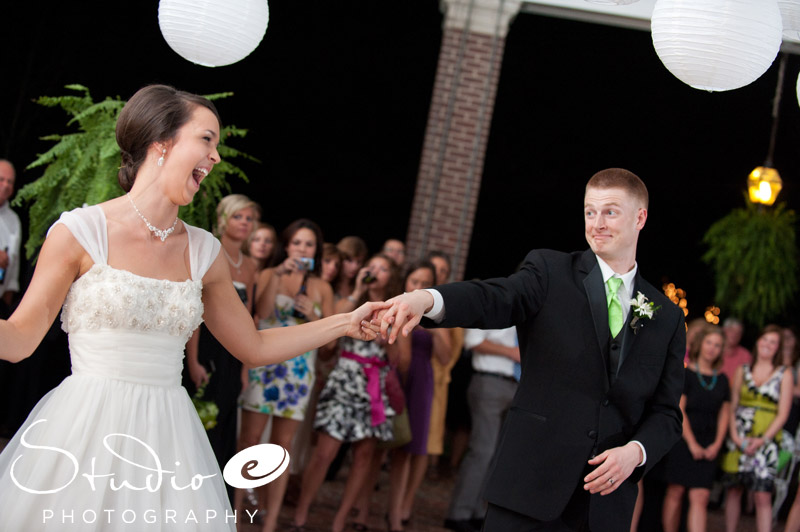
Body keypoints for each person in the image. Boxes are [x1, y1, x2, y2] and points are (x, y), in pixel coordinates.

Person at [0, 84, 384, 531]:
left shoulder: (205, 252)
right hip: (84, 431)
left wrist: (343, 322)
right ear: (161, 143)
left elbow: (254, 347)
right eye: (207, 139)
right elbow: (20, 340)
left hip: (169, 439)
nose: (215, 156)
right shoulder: (80, 232)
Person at [378, 168, 686, 532]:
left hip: (603, 506)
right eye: (590, 212)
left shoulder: (666, 315)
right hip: (529, 485)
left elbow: (666, 414)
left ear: (640, 217)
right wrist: (426, 298)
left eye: (610, 212)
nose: (597, 223)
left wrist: (635, 453)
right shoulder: (550, 271)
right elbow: (493, 296)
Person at [292, 254, 407, 532]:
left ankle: (340, 521)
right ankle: (301, 515)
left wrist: (388, 335)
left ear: (391, 276)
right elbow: (327, 348)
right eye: (373, 266)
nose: (376, 271)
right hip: (344, 381)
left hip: (373, 388)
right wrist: (356, 291)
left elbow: (400, 361)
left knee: (364, 457)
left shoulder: (397, 310)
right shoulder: (350, 303)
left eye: (383, 268)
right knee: (324, 454)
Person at [239, 218, 334, 532]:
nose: (302, 249)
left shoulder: (322, 287)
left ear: (315, 251)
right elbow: (262, 314)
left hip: (296, 372)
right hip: (265, 364)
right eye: (297, 243)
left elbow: (331, 341)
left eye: (309, 244)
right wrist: (278, 278)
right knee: (250, 440)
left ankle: (271, 520)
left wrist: (314, 315)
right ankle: (240, 513)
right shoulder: (268, 273)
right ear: (287, 245)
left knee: (282, 447)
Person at [185, 193, 260, 503]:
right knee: (199, 426)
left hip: (233, 354)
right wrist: (193, 361)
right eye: (238, 216)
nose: (244, 223)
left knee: (225, 427)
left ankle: (216, 504)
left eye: (249, 218)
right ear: (224, 218)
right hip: (206, 350)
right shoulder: (208, 251)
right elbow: (195, 311)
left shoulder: (252, 266)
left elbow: (250, 318)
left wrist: (245, 367)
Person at [444, 325, 519, 531]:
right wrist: (511, 352)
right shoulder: (496, 305)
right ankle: (458, 513)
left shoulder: (528, 310)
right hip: (489, 381)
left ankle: (478, 511)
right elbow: (472, 341)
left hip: (517, 385)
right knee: (482, 451)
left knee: (498, 454)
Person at [721, 324, 793, 532]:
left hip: (767, 438)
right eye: (765, 340)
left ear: (778, 348)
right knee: (734, 489)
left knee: (762, 494)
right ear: (758, 342)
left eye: (773, 342)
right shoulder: (743, 370)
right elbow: (732, 406)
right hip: (739, 435)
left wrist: (763, 440)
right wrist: (734, 436)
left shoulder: (784, 373)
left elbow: (783, 413)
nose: (768, 345)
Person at [662, 325, 730, 532]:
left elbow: (725, 415)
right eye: (709, 343)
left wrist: (717, 445)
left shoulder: (723, 380)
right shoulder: (686, 374)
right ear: (700, 344)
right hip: (684, 439)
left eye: (717, 345)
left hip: (710, 441)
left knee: (701, 496)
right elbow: (679, 411)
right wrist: (692, 444)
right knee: (676, 491)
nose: (712, 348)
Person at [0, 159, 21, 315]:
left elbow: (13, 269)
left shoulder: (13, 220)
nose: (6, 185)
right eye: (1, 179)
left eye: (10, 181)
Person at [720, 317, 751, 382]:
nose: (735, 335)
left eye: (738, 333)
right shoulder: (714, 349)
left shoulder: (745, 355)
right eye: (731, 331)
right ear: (723, 330)